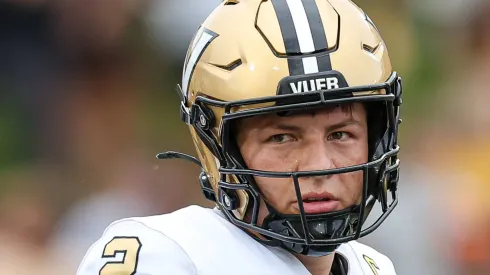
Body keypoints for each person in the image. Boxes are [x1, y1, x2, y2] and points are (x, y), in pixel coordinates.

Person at [77, 0, 403, 274]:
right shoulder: (167, 256)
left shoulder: (374, 267)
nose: (320, 166)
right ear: (220, 145)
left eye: (340, 134)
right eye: (282, 138)